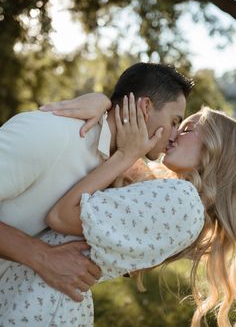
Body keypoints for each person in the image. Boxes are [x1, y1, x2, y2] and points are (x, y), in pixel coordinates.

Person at [1, 100, 236, 327]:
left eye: (186, 129)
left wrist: (124, 151)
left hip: (40, 300)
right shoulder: (178, 200)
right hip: (44, 292)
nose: (173, 135)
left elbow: (61, 216)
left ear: (215, 147)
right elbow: (127, 150)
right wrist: (103, 103)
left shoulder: (182, 199)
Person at [0, 62, 193, 302]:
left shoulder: (121, 169)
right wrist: (42, 256)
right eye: (175, 122)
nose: (174, 136)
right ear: (145, 107)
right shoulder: (50, 134)